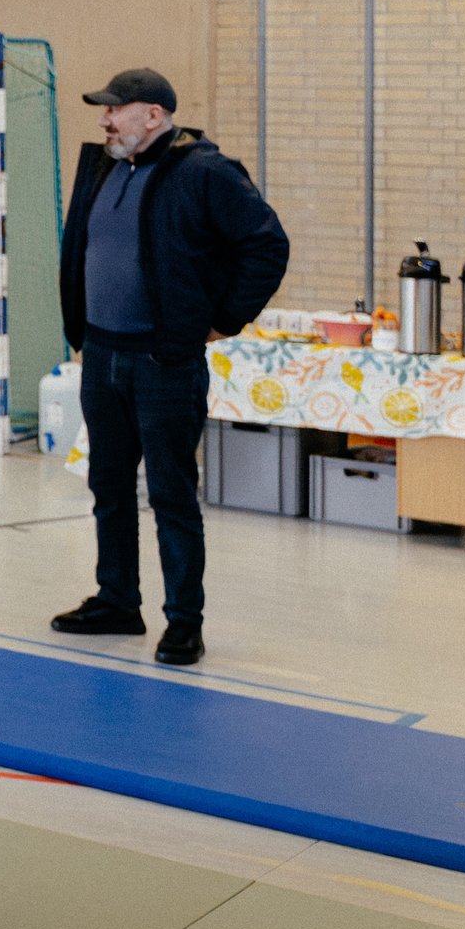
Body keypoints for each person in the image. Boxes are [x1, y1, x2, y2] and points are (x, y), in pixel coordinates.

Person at [54, 68, 287, 668]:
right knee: (107, 486)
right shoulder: (107, 166)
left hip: (164, 363)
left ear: (153, 115)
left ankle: (184, 622)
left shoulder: (205, 173)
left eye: (116, 109)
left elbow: (266, 246)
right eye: (103, 110)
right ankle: (116, 600)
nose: (105, 120)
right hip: (101, 355)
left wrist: (223, 320)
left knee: (171, 495)